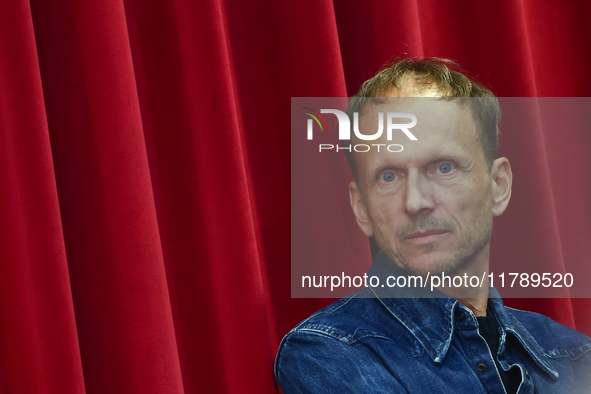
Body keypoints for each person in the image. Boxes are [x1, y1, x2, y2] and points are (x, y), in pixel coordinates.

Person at [275, 58, 591, 393]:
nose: (415, 202)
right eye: (388, 176)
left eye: (443, 168)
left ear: (498, 186)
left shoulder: (576, 355)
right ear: (361, 208)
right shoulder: (328, 354)